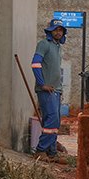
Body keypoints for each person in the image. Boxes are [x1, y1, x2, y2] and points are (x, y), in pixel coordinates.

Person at [31, 18, 66, 159]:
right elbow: (35, 64)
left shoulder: (57, 47)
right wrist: (42, 84)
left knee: (54, 121)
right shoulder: (44, 44)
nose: (58, 32)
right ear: (50, 31)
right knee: (51, 119)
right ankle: (41, 150)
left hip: (56, 90)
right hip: (46, 90)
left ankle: (52, 153)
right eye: (56, 30)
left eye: (61, 30)